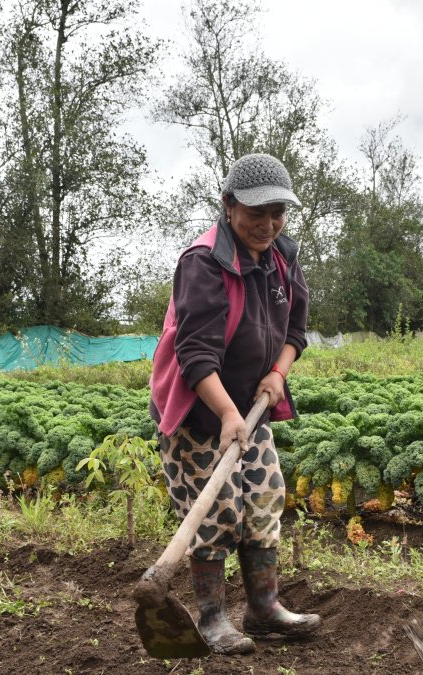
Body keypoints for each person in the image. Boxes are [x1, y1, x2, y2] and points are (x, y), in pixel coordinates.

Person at [148, 153, 319, 655]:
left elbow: (295, 333)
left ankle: (263, 609)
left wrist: (277, 373)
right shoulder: (203, 263)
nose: (267, 225)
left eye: (277, 213)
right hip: (199, 409)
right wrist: (224, 413)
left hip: (250, 404)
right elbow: (194, 353)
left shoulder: (283, 258)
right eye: (255, 213)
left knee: (264, 496)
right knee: (215, 511)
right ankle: (212, 619)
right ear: (228, 206)